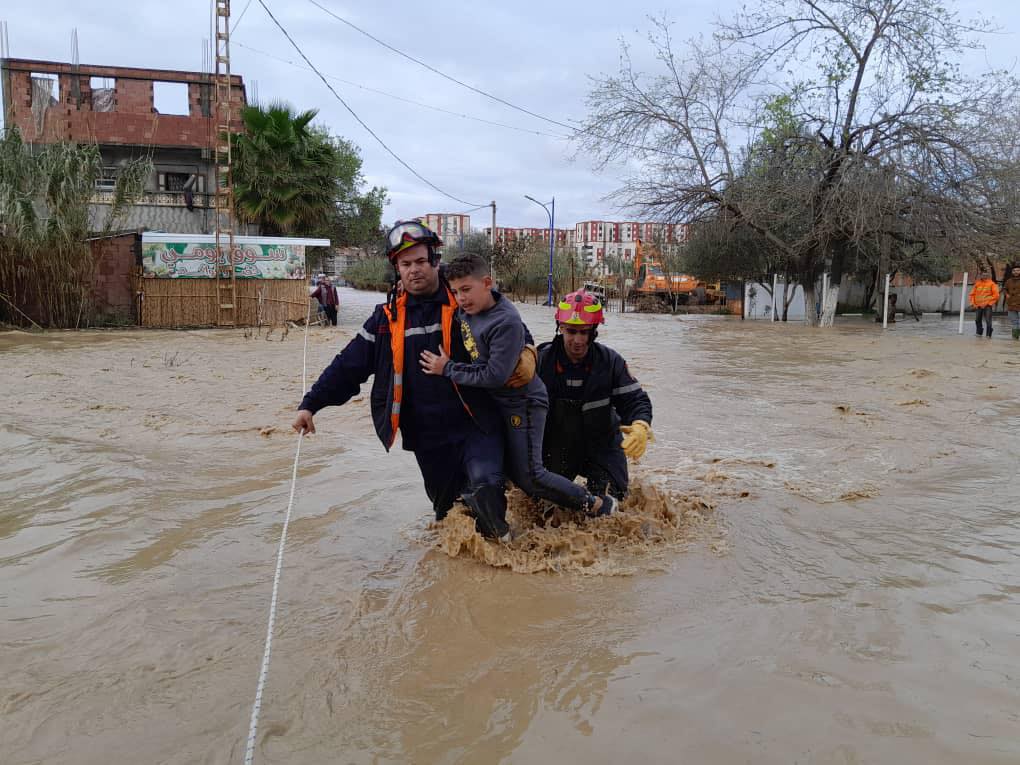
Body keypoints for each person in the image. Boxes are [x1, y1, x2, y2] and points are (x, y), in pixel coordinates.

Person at [292, 221, 535, 539]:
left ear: (436, 261)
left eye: (421, 261)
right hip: (427, 437)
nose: (414, 270)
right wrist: (311, 404)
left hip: (477, 423)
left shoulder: (465, 300)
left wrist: (531, 352)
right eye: (406, 264)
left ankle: (508, 559)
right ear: (397, 269)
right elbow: (348, 366)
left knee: (486, 488)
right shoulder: (385, 318)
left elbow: (509, 326)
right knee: (447, 516)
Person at [420, 253, 617, 521]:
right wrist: (408, 278)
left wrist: (447, 369)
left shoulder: (504, 321)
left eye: (466, 290)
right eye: (456, 292)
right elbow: (441, 275)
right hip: (499, 402)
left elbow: (493, 376)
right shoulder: (471, 305)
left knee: (531, 475)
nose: (461, 298)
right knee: (511, 471)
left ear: (487, 283)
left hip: (522, 403)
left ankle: (596, 505)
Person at [537, 289, 653, 499]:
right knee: (544, 505)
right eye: (572, 331)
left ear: (594, 331)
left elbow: (635, 400)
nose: (578, 340)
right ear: (560, 328)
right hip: (556, 446)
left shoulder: (610, 362)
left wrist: (640, 425)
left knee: (612, 502)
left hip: (602, 446)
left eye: (585, 332)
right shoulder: (539, 362)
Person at [969, 271, 1000, 338]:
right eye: (983, 275)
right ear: (980, 276)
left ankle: (988, 335)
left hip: (987, 306)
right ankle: (979, 333)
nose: (984, 276)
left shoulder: (992, 284)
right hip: (978, 305)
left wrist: (988, 303)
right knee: (977, 320)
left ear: (988, 276)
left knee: (988, 320)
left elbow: (996, 295)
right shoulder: (977, 284)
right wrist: (973, 304)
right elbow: (972, 294)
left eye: (986, 275)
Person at [1003, 264, 1020, 341]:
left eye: (1018, 270)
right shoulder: (1008, 281)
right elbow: (1004, 289)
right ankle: (1015, 338)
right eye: (1014, 270)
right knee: (1014, 322)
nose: (1016, 272)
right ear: (1012, 272)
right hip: (1011, 304)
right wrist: (1006, 294)